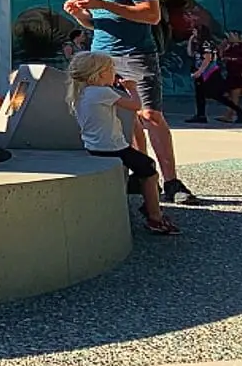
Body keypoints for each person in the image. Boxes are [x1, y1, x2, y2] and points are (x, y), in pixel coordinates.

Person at [61, 0, 199, 205]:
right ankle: (145, 176)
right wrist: (77, 15)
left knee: (150, 114)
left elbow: (151, 16)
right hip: (102, 55)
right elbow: (95, 25)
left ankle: (172, 181)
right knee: (127, 117)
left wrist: (105, 5)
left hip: (136, 53)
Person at [67, 51, 180, 236]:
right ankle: (154, 216)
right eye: (112, 70)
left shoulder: (81, 92)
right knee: (149, 169)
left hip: (94, 146)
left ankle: (143, 196)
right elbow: (135, 105)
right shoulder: (102, 91)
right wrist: (132, 88)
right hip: (113, 148)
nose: (115, 73)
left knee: (141, 166)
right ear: (100, 74)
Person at [185, 24, 242, 124]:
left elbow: (208, 58)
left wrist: (200, 71)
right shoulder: (198, 43)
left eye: (195, 31)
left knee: (215, 94)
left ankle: (240, 111)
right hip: (200, 72)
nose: (193, 33)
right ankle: (201, 115)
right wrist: (190, 40)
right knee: (200, 94)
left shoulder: (206, 43)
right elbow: (190, 54)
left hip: (209, 72)